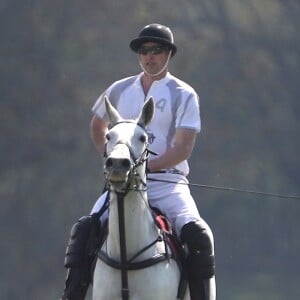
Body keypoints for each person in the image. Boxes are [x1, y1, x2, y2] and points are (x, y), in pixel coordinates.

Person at [61, 23, 216, 300]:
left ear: (168, 54)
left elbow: (183, 148)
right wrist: (113, 162)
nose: (150, 57)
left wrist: (141, 168)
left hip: (168, 185)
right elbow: (98, 124)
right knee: (84, 230)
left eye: (157, 51)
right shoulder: (119, 89)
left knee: (199, 235)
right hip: (119, 186)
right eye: (145, 51)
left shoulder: (184, 94)